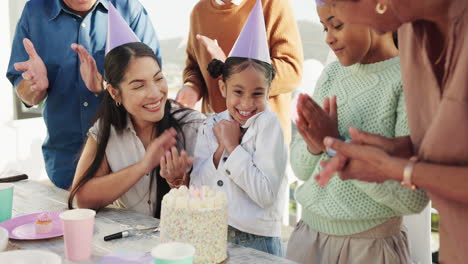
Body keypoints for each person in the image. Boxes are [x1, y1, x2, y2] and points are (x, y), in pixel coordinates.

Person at [314, 0, 468, 263]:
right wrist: (399, 148)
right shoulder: (409, 32)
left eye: (337, 17)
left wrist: (400, 170)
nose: (331, 35)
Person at [285, 2, 429, 263]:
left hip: (369, 247)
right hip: (308, 239)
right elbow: (300, 168)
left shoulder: (407, 80)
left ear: (375, 13)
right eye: (324, 28)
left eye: (337, 25)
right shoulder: (331, 75)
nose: (329, 38)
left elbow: (411, 197)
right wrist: (314, 146)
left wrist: (336, 145)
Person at [6, 0, 160, 189]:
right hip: (65, 167)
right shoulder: (34, 11)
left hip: (126, 164)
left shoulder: (129, 9)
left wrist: (105, 88)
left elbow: (152, 88)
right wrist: (33, 87)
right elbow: (24, 92)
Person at [190, 0, 287, 255]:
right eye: (238, 92)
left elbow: (265, 194)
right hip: (214, 232)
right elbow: (198, 186)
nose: (246, 103)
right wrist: (220, 145)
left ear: (268, 91)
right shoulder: (211, 123)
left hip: (257, 241)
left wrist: (233, 148)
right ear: (222, 88)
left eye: (257, 93)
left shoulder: (268, 125)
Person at [68, 42, 204, 218]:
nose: (155, 93)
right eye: (139, 85)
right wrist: (144, 165)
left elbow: (214, 207)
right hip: (130, 240)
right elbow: (83, 199)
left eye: (158, 78)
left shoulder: (193, 126)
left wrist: (179, 183)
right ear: (114, 93)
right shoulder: (105, 130)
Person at [177, 0, 303, 143]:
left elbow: (292, 70)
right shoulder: (199, 11)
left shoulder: (273, 4)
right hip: (216, 142)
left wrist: (229, 69)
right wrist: (192, 87)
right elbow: (194, 67)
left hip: (263, 145)